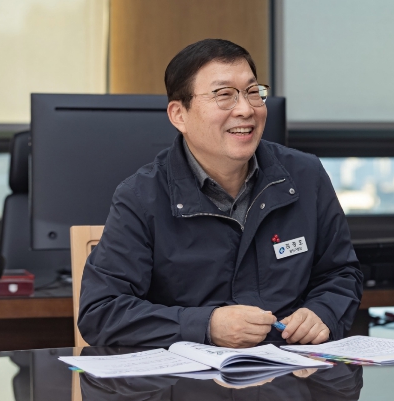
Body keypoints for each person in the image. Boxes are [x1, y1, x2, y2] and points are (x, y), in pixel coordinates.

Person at [77, 38, 363, 348]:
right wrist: (206, 326)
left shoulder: (305, 175)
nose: (246, 109)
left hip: (290, 367)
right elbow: (101, 312)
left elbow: (341, 273)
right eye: (224, 95)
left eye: (253, 92)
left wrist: (322, 312)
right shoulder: (141, 196)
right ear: (179, 115)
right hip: (191, 374)